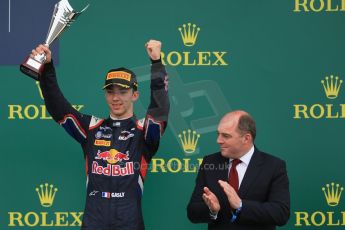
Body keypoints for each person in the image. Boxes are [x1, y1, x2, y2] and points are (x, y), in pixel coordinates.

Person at [30, 40, 169, 230]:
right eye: (110, 91)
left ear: (135, 95)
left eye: (123, 91)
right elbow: (58, 108)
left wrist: (156, 64)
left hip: (130, 224)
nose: (116, 97)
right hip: (93, 223)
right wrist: (47, 67)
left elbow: (159, 110)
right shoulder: (92, 128)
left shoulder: (143, 132)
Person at [187, 110, 290, 230]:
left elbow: (281, 214)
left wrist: (241, 205)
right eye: (218, 134)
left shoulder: (274, 166)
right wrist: (212, 210)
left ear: (246, 138)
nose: (218, 140)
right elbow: (192, 212)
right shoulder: (210, 162)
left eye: (226, 136)